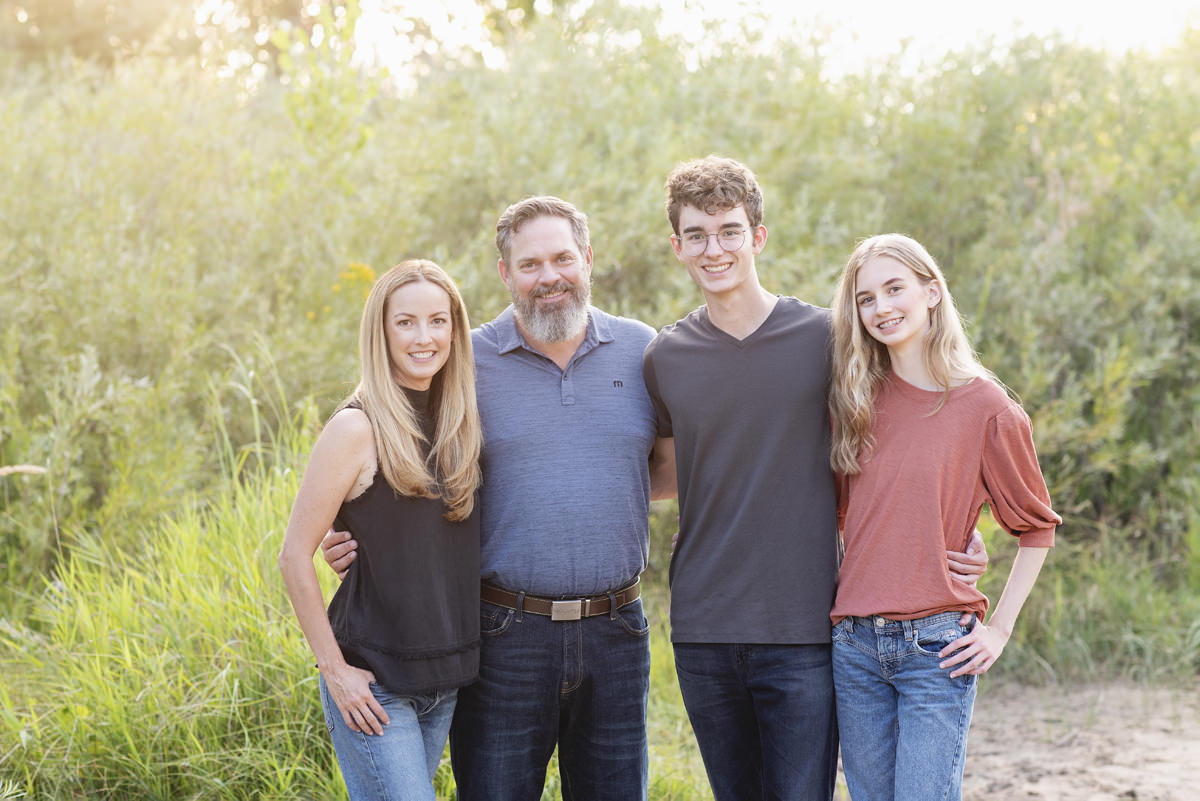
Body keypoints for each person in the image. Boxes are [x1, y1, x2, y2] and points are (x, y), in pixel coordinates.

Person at [642, 156, 988, 801]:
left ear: (758, 236)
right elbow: (665, 472)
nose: (714, 249)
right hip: (703, 627)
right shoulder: (666, 356)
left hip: (805, 624)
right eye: (697, 235)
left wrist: (956, 524)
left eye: (729, 231)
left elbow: (905, 434)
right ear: (678, 247)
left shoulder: (826, 340)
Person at [324, 196, 675, 801]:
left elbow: (664, 474)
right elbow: (387, 437)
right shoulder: (465, 363)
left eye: (563, 258)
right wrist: (353, 532)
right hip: (502, 632)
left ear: (588, 260)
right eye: (530, 263)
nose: (549, 277)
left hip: (618, 631)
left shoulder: (641, 351)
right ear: (505, 273)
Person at [828, 233, 1060, 800]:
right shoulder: (851, 401)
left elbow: (1037, 527)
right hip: (853, 646)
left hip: (936, 649)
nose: (881, 308)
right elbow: (841, 518)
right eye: (865, 298)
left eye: (894, 289)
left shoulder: (986, 407)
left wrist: (1000, 629)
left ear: (931, 292)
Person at [278, 259, 483, 801]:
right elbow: (294, 556)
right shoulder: (356, 427)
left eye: (438, 321)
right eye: (406, 323)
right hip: (374, 681)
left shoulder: (460, 420)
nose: (424, 337)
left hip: (445, 678)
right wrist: (336, 672)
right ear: (381, 331)